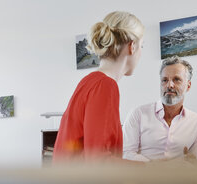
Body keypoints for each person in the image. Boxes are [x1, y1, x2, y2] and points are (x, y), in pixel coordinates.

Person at [53, 11, 144, 163]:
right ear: (132, 46)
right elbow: (99, 162)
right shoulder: (105, 86)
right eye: (142, 46)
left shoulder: (89, 82)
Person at [122, 56, 197, 167]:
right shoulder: (138, 114)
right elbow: (125, 153)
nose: (169, 85)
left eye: (176, 79)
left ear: (188, 86)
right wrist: (156, 166)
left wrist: (194, 165)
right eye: (164, 80)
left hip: (180, 182)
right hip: (144, 180)